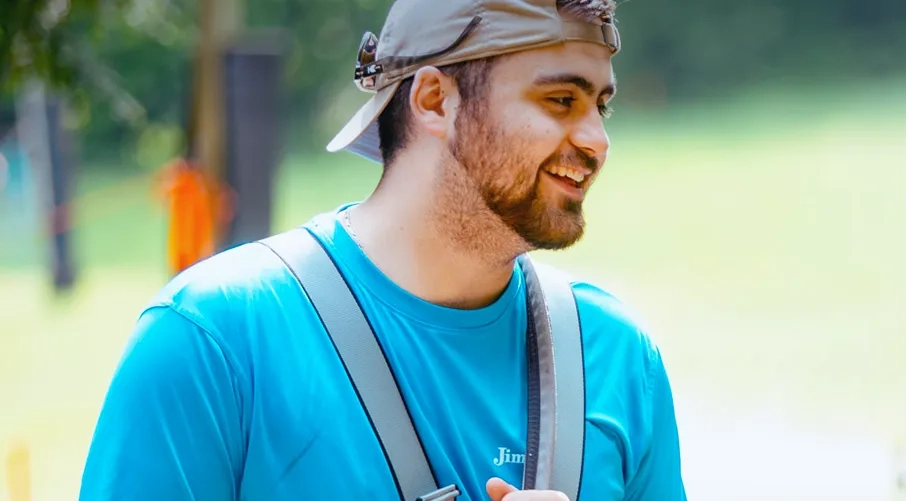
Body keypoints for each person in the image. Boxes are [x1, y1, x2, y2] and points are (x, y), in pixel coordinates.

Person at [77, 0, 685, 500]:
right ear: (432, 100)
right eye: (560, 100)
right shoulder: (214, 339)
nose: (597, 140)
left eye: (600, 105)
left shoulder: (616, 355)